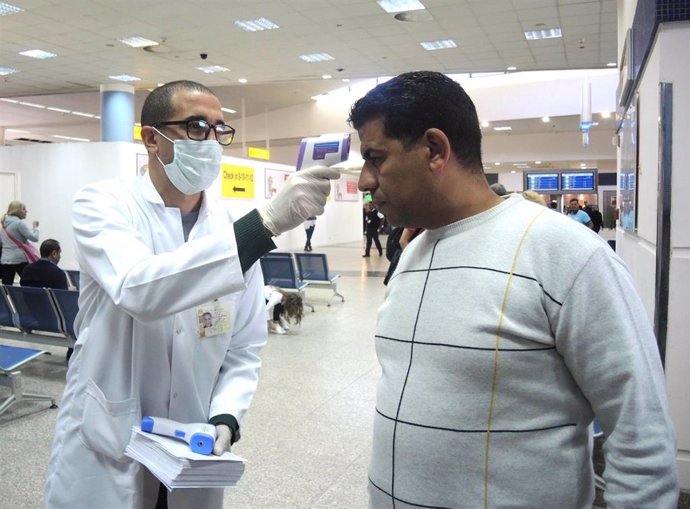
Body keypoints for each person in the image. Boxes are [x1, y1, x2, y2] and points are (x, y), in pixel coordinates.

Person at [348, 71, 678, 508]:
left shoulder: (565, 253)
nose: (364, 181)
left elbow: (641, 436)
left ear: (434, 150)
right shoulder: (412, 253)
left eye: (375, 158)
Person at [44, 80, 340, 509]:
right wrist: (266, 223)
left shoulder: (230, 228)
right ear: (151, 139)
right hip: (110, 439)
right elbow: (140, 289)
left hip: (192, 447)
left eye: (220, 130)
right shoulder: (103, 204)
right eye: (197, 127)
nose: (212, 142)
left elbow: (244, 346)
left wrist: (226, 414)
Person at [0, 200, 39, 285]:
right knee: (29, 284)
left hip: (5, 260)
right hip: (19, 259)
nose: (26, 211)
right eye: (24, 209)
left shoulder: (3, 224)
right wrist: (35, 228)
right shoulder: (19, 223)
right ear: (17, 210)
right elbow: (34, 238)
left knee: (6, 288)